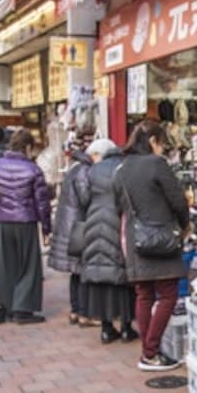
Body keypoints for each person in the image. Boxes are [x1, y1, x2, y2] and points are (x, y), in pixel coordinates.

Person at [116, 120, 189, 371]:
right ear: (152, 141)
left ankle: (148, 351)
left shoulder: (122, 168)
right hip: (161, 237)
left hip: (135, 238)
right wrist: (185, 225)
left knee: (144, 294)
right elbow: (178, 200)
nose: (162, 149)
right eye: (161, 143)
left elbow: (119, 206)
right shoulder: (156, 164)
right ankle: (151, 352)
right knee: (168, 294)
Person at [0, 128, 51, 324]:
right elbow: (43, 203)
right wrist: (46, 229)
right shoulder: (34, 169)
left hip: (2, 221)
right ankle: (23, 309)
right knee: (28, 266)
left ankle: (6, 305)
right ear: (27, 147)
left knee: (4, 264)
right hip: (26, 221)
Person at [77, 138, 138, 344]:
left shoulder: (93, 170)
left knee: (100, 275)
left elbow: (83, 198)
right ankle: (126, 328)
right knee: (122, 275)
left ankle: (105, 328)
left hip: (94, 220)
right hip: (117, 221)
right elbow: (128, 199)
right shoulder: (124, 169)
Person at [47, 128, 95, 326]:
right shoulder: (85, 171)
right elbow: (85, 198)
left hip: (70, 225)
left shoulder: (75, 168)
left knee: (75, 271)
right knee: (82, 270)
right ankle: (84, 313)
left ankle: (75, 310)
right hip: (79, 225)